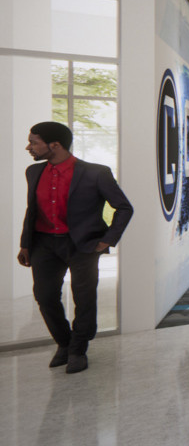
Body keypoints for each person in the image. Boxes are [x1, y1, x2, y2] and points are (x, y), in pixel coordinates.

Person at [18, 122, 133, 374]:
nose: (29, 147)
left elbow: (124, 207)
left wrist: (107, 239)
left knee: (84, 298)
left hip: (83, 244)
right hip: (44, 244)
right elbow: (32, 210)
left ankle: (78, 349)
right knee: (45, 296)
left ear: (54, 145)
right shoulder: (33, 172)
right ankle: (64, 342)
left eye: (34, 141)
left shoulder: (96, 173)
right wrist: (25, 244)